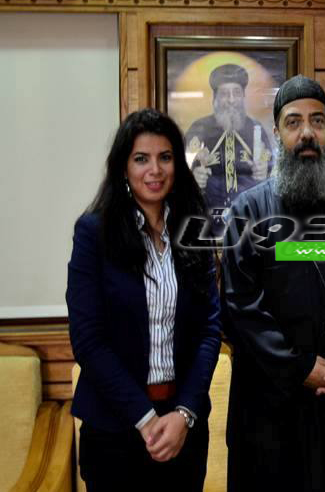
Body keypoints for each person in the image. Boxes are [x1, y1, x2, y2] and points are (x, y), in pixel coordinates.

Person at [221, 75, 325, 492]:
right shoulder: (249, 210)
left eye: (317, 120)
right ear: (277, 133)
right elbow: (240, 308)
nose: (307, 132)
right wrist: (301, 367)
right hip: (272, 411)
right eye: (293, 122)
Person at [67, 109, 221, 491]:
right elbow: (88, 340)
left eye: (165, 157)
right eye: (141, 158)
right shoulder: (94, 233)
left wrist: (184, 413)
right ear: (123, 167)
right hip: (115, 429)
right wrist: (146, 419)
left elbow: (209, 329)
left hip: (183, 427)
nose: (155, 170)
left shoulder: (194, 230)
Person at [184, 63, 273, 211]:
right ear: (215, 98)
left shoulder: (256, 129)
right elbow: (181, 171)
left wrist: (264, 173)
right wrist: (193, 179)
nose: (231, 100)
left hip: (249, 215)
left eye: (236, 93)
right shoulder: (199, 129)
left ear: (243, 96)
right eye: (224, 94)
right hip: (207, 215)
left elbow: (272, 170)